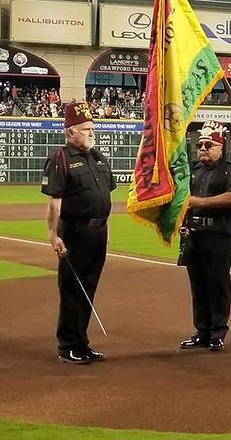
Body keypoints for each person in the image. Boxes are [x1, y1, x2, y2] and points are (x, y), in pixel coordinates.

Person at [41, 101, 116, 364]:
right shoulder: (60, 157)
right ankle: (68, 345)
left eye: (92, 128)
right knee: (73, 289)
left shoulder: (98, 157)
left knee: (89, 287)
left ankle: (82, 342)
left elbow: (106, 194)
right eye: (85, 129)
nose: (91, 133)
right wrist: (53, 234)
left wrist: (106, 224)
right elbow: (54, 202)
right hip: (75, 233)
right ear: (71, 132)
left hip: (98, 233)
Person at [179, 121, 231, 352]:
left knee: (217, 283)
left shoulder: (230, 170)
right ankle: (202, 331)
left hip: (218, 234)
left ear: (220, 147)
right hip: (194, 234)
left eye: (209, 144)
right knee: (198, 285)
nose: (203, 148)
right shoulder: (194, 171)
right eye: (200, 145)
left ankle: (217, 332)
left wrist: (200, 202)